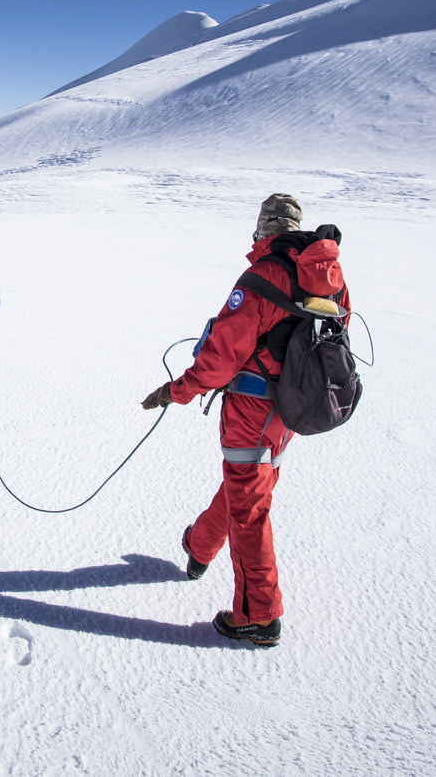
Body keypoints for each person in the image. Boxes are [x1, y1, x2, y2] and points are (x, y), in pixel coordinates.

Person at [140, 193, 351, 648]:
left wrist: (175, 392)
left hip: (252, 408)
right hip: (294, 407)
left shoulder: (260, 277)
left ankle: (259, 615)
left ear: (262, 230)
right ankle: (200, 547)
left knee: (250, 505)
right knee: (248, 483)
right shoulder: (329, 275)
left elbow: (218, 361)